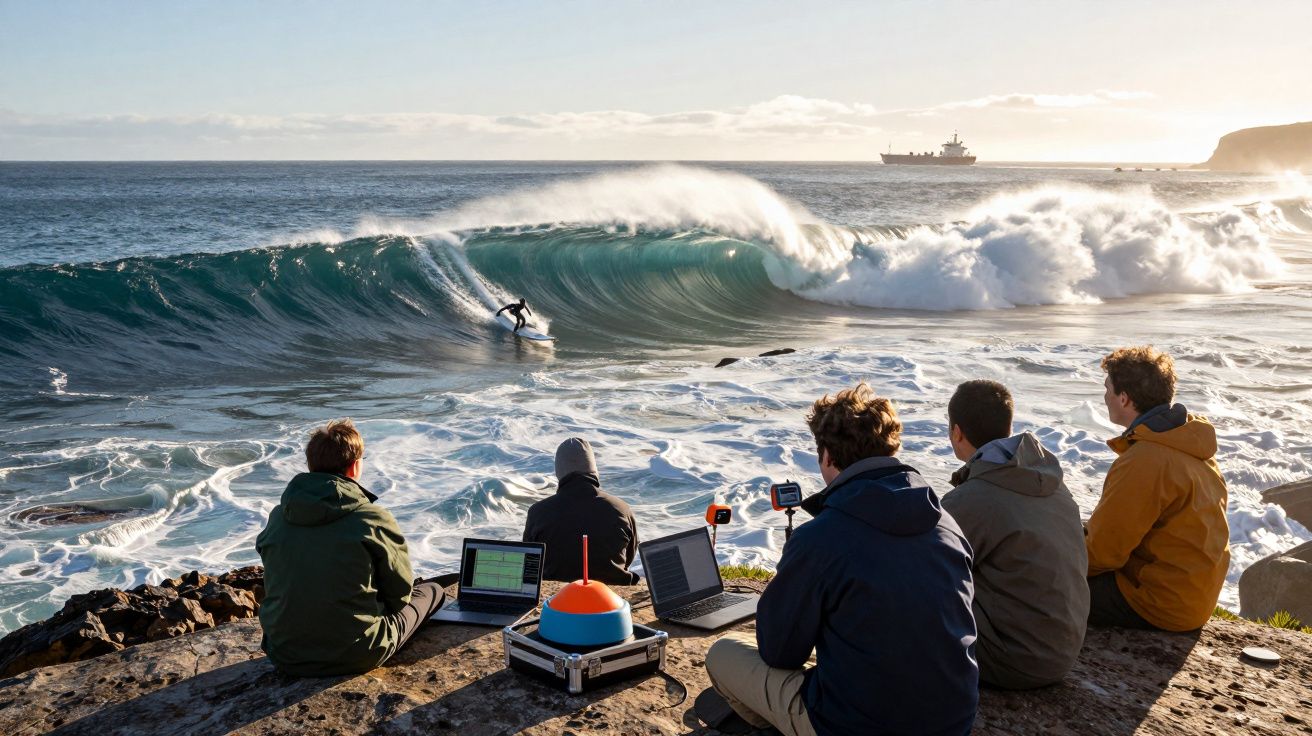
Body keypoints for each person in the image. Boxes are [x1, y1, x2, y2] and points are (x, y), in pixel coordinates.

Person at [705, 383, 978, 736]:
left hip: (856, 725)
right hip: (953, 720)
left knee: (723, 653)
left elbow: (778, 652)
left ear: (828, 456)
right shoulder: (946, 522)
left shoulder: (822, 536)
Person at [256, 419, 445, 676]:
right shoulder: (371, 518)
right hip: (356, 653)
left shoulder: (279, 516)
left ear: (311, 464)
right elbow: (400, 595)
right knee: (433, 591)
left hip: (284, 653)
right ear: (355, 466)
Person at [941, 380, 1089, 689]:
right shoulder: (1050, 481)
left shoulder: (973, 499)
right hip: (1063, 649)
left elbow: (921, 569)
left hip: (1015, 660)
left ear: (956, 432)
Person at [1086, 346, 1230, 631]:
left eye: (1108, 389)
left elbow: (1103, 554)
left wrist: (1051, 561)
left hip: (1157, 604)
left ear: (1124, 399)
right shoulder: (1188, 441)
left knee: (1037, 586)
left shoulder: (1145, 460)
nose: (1104, 397)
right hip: (1192, 597)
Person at [523, 438, 640, 585]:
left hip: (558, 599)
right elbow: (628, 557)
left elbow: (530, 564)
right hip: (612, 597)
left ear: (559, 471)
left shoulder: (538, 512)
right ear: (593, 469)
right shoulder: (621, 509)